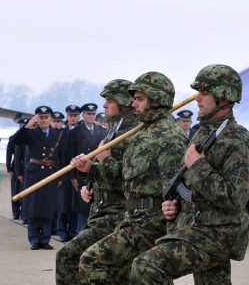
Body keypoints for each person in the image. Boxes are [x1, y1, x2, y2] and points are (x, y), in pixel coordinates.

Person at [130, 64, 249, 284]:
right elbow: (194, 188)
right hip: (198, 225)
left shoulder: (238, 142)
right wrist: (177, 204)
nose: (197, 98)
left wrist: (198, 166)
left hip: (220, 232)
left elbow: (235, 198)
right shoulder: (203, 132)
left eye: (204, 92)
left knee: (146, 266)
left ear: (223, 97)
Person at [73, 71, 188, 284]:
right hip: (132, 217)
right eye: (134, 99)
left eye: (139, 99)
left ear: (156, 100)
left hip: (152, 222)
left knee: (92, 260)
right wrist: (92, 172)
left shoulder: (169, 137)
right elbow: (125, 178)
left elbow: (177, 187)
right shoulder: (144, 132)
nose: (134, 104)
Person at [56, 79, 138, 285]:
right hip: (103, 208)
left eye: (109, 100)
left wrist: (99, 165)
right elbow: (105, 171)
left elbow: (129, 179)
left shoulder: (133, 131)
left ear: (123, 101)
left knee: (69, 256)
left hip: (120, 213)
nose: (104, 105)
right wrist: (89, 181)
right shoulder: (115, 128)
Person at [12, 106, 66, 250]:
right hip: (34, 172)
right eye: (41, 117)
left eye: (46, 117)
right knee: (33, 206)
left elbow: (62, 156)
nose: (44, 120)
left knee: (48, 206)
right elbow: (15, 140)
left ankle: (45, 239)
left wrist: (62, 175)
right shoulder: (31, 133)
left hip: (51, 172)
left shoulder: (58, 133)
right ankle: (34, 239)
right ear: (37, 119)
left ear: (50, 119)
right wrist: (27, 125)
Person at [67, 103, 107, 231]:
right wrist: (72, 176)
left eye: (93, 114)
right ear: (83, 115)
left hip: (96, 171)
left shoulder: (102, 131)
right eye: (89, 114)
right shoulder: (74, 133)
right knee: (82, 208)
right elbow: (70, 154)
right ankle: (80, 232)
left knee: (95, 206)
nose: (91, 116)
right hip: (80, 173)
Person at [56, 105, 81, 243]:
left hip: (77, 174)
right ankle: (62, 231)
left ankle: (72, 231)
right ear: (67, 117)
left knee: (75, 205)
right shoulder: (61, 133)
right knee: (63, 205)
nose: (73, 118)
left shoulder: (81, 131)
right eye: (71, 115)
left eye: (75, 115)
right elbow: (58, 156)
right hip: (64, 175)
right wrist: (60, 176)